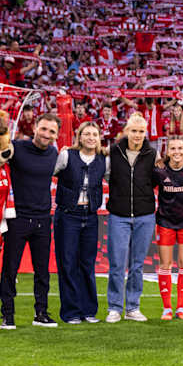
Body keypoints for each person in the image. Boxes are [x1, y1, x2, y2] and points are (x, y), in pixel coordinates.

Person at [0, 112, 60, 329]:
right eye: (43, 129)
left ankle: (41, 313)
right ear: (35, 127)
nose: (46, 134)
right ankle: (7, 315)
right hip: (18, 219)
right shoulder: (16, 148)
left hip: (44, 219)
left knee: (42, 271)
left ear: (56, 135)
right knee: (10, 269)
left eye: (51, 131)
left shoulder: (54, 154)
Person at [52, 121, 106, 325]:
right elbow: (52, 172)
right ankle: (71, 312)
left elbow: (108, 178)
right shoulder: (67, 155)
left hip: (90, 216)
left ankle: (88, 311)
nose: (91, 137)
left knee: (87, 264)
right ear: (80, 136)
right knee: (67, 264)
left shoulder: (103, 160)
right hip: (68, 215)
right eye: (87, 134)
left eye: (95, 134)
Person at [106, 112, 157, 323]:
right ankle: (115, 307)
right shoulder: (114, 151)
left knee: (137, 265)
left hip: (145, 215)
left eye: (141, 131)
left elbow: (154, 180)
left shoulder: (152, 154)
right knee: (117, 264)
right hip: (119, 215)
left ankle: (133, 307)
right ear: (126, 131)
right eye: (134, 131)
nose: (137, 135)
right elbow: (107, 176)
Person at [152, 136, 183, 321]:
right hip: (165, 222)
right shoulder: (159, 171)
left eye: (180, 148)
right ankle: (167, 308)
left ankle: (181, 307)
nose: (177, 152)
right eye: (173, 149)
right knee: (165, 264)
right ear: (168, 151)